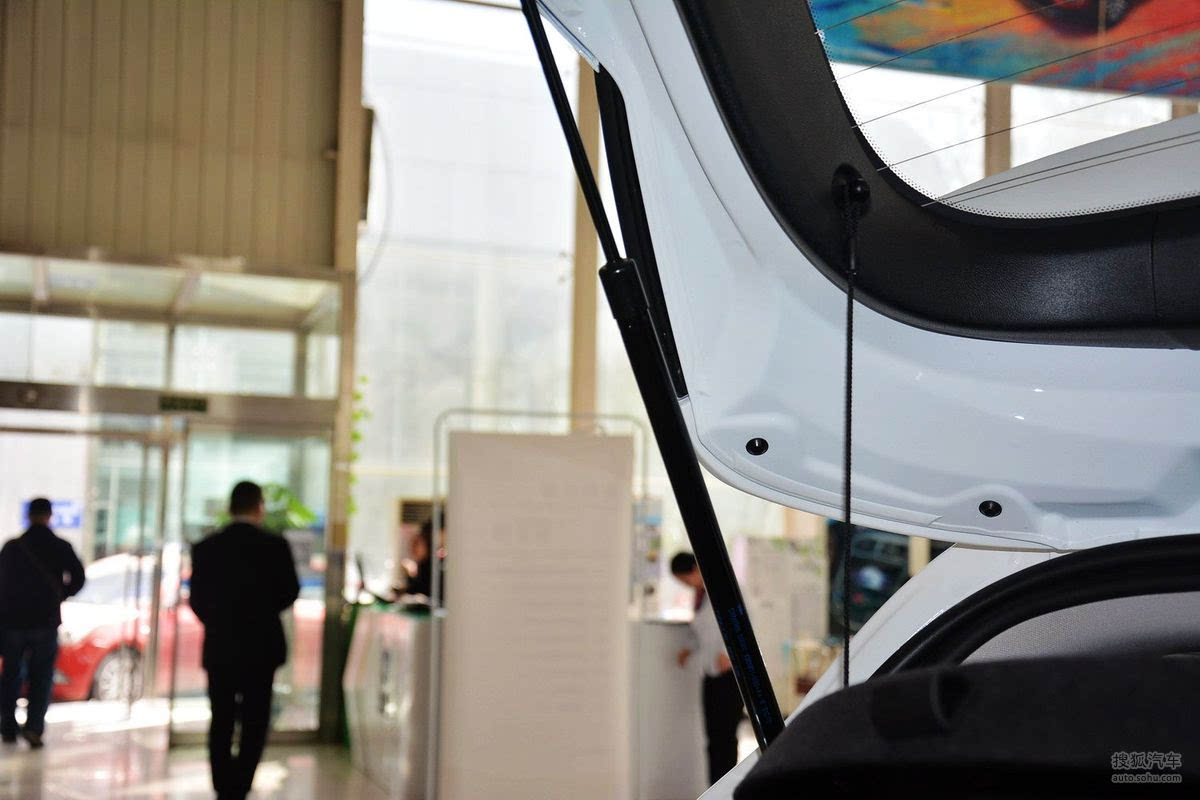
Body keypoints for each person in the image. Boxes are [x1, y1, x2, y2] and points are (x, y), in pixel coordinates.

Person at [190, 481, 299, 800]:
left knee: (221, 717)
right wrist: (261, 614)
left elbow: (197, 599)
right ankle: (242, 783)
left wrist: (220, 621)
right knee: (255, 718)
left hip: (221, 646)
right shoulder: (275, 546)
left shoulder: (207, 547)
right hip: (261, 647)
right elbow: (290, 591)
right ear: (259, 507)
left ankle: (223, 786)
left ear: (230, 508)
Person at [0, 497, 86, 749]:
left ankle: (8, 727)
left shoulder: (12, 548)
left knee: (11, 675)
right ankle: (34, 728)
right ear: (49, 516)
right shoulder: (60, 546)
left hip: (13, 622)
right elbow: (79, 578)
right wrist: (61, 594)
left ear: (29, 515)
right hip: (45, 621)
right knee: (42, 675)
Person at [671, 551, 744, 786]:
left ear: (695, 569)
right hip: (711, 675)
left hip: (729, 675)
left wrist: (728, 653)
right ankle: (714, 788)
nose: (687, 585)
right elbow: (701, 633)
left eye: (685, 579)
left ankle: (727, 787)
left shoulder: (726, 588)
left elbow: (743, 622)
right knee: (713, 738)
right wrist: (688, 649)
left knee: (726, 738)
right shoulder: (702, 596)